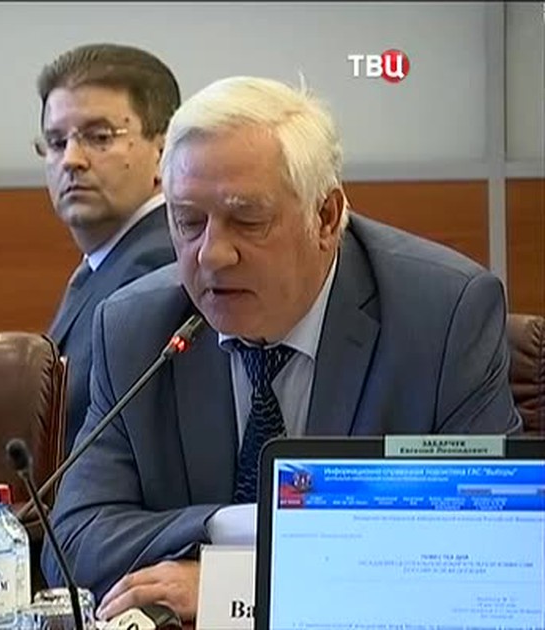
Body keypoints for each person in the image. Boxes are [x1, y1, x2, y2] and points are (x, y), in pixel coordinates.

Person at [43, 76, 522, 621]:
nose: (212, 255)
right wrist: (233, 529)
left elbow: (487, 541)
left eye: (248, 221)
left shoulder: (442, 315)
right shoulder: (137, 328)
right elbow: (73, 542)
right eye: (188, 222)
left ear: (325, 217)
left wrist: (244, 583)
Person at [38, 44, 179, 452]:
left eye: (99, 137)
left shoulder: (159, 268)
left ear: (163, 152)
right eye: (56, 141)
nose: (71, 160)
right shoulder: (107, 263)